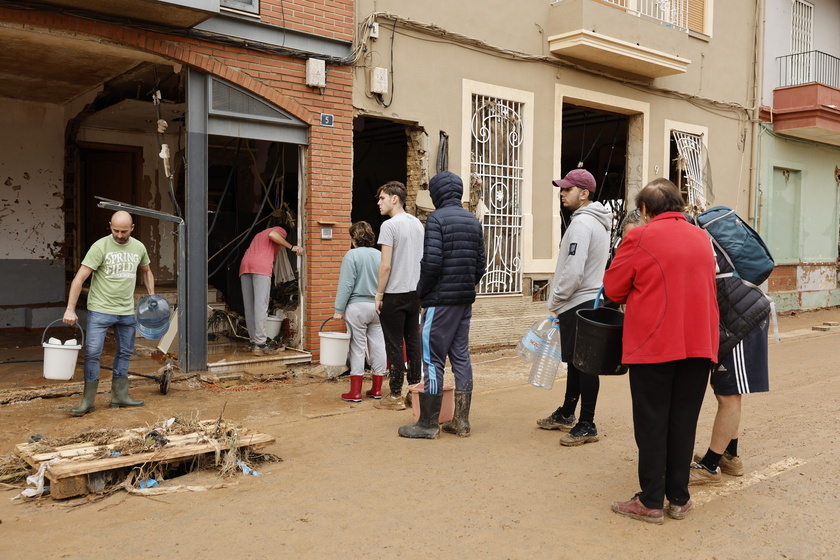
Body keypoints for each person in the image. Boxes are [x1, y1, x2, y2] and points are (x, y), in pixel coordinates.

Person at [604, 178, 719, 523]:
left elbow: (613, 288)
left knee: (653, 421)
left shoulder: (640, 236)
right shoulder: (702, 237)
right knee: (684, 420)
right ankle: (680, 499)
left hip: (655, 344)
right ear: (679, 207)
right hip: (700, 344)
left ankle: (651, 500)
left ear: (644, 210)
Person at [398, 171, 486, 439]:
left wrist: (421, 292)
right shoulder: (473, 220)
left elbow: (432, 263)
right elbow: (481, 264)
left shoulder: (436, 219)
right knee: (460, 356)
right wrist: (466, 285)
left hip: (440, 301)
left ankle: (427, 423)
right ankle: (462, 421)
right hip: (463, 300)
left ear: (436, 194)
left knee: (432, 359)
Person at [536, 168, 612, 446]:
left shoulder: (582, 224)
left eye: (567, 189)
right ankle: (568, 412)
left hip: (578, 302)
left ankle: (587, 423)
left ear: (584, 193)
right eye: (562, 188)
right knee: (577, 363)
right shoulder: (597, 221)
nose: (562, 193)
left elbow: (573, 270)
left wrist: (556, 299)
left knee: (585, 365)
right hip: (589, 300)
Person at [689, 244, 772, 484]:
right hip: (734, 317)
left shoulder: (698, 237)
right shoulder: (701, 234)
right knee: (724, 390)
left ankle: (710, 466)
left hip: (740, 320)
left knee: (729, 396)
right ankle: (729, 456)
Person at [63, 211, 155, 416]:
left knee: (124, 352)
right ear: (110, 226)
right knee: (93, 354)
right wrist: (70, 308)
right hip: (100, 310)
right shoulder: (100, 246)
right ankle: (88, 401)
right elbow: (79, 279)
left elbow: (147, 271)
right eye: (115, 230)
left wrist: (152, 297)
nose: (119, 235)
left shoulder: (139, 247)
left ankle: (119, 396)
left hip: (125, 311)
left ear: (132, 228)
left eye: (124, 231)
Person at [373, 181, 425, 411]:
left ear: (395, 199)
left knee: (394, 345)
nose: (379, 203)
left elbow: (385, 266)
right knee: (413, 342)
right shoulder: (417, 224)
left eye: (382, 198)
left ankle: (394, 395)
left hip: (394, 293)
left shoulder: (390, 226)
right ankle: (414, 391)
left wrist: (378, 295)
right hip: (415, 293)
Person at [333, 221, 388, 402]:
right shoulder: (380, 255)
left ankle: (355, 392)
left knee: (356, 346)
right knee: (378, 345)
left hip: (356, 307)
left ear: (354, 238)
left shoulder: (351, 255)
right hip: (377, 306)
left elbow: (346, 284)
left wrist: (338, 309)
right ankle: (377, 389)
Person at [239, 224, 304, 355]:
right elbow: (273, 235)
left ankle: (254, 341)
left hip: (245, 266)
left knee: (250, 306)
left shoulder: (259, 234)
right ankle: (261, 344)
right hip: (260, 268)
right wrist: (292, 247)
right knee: (261, 306)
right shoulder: (278, 231)